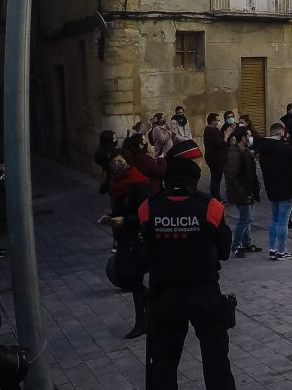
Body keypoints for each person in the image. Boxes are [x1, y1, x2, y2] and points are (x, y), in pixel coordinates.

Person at [137, 139, 234, 389]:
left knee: (163, 362)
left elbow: (144, 252)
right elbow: (224, 251)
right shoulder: (211, 207)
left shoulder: (148, 208)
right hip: (205, 294)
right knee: (216, 362)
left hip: (165, 295)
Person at [100, 149, 151, 338]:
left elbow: (146, 214)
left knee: (133, 279)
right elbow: (119, 209)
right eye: (113, 162)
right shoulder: (116, 184)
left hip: (137, 241)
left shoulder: (138, 185)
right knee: (126, 277)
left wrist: (125, 221)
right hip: (123, 239)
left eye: (120, 161)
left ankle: (142, 320)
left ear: (128, 162)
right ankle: (146, 311)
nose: (116, 165)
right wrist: (111, 218)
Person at [254, 122, 292, 261]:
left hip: (272, 189)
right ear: (280, 134)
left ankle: (272, 249)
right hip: (287, 189)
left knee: (274, 219)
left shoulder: (264, 148)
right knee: (283, 222)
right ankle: (282, 251)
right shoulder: (282, 148)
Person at [224, 127, 263, 258]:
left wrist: (256, 186)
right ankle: (236, 246)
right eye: (248, 135)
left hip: (249, 190)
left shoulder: (245, 150)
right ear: (243, 137)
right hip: (242, 192)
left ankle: (246, 243)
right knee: (244, 219)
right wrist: (242, 193)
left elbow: (251, 172)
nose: (250, 138)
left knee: (249, 218)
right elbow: (232, 176)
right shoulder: (234, 153)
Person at [202, 113, 229, 201]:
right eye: (217, 120)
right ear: (212, 121)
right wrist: (226, 137)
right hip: (215, 159)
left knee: (216, 178)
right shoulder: (211, 131)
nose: (218, 121)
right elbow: (219, 143)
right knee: (216, 178)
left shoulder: (212, 129)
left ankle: (215, 196)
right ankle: (215, 197)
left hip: (215, 158)